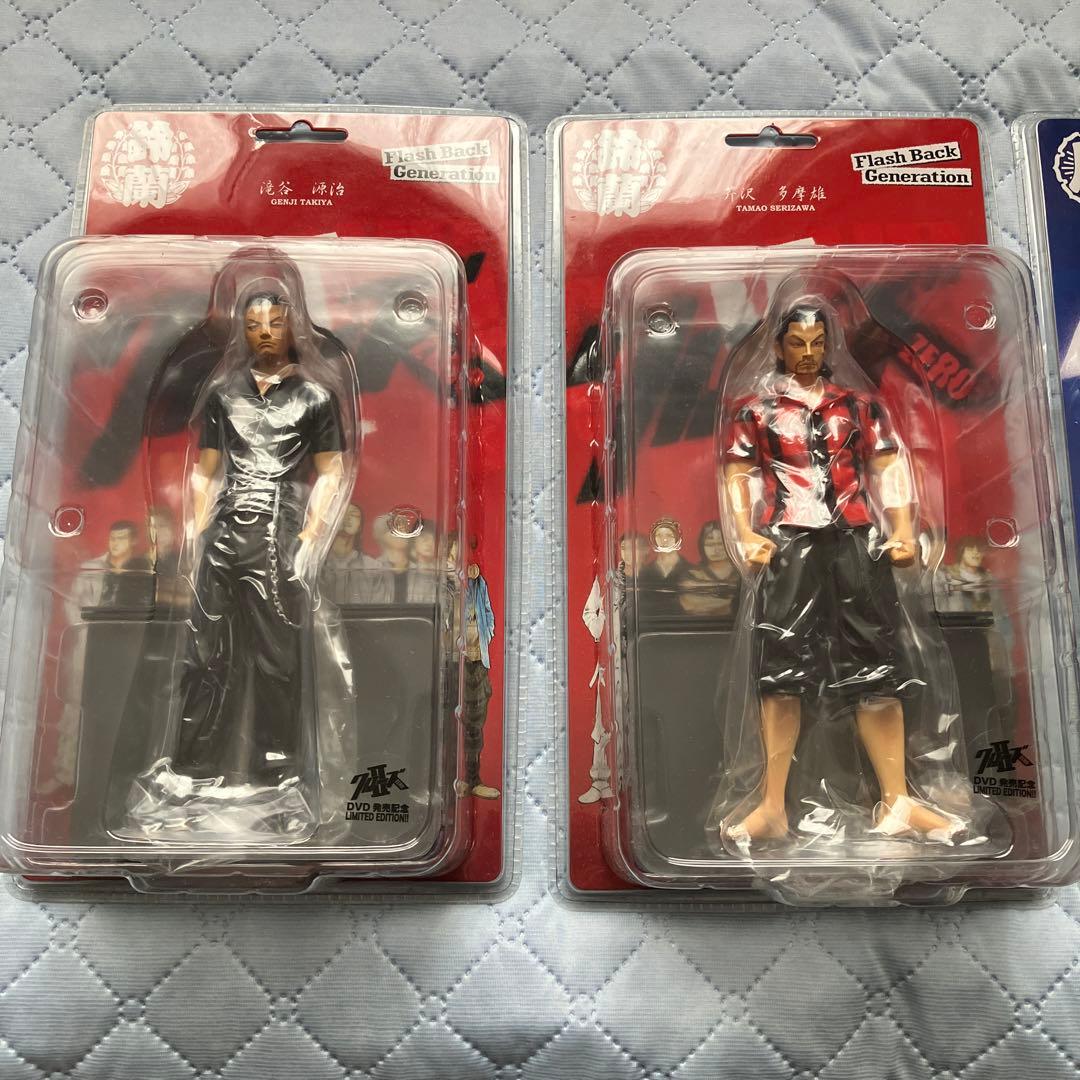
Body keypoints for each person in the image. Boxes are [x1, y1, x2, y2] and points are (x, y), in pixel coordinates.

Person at [721, 300, 958, 843]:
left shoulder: (858, 406)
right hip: (787, 542)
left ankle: (897, 801)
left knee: (877, 665)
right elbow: (737, 472)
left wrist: (903, 528)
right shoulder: (757, 412)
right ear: (779, 347)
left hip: (856, 539)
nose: (808, 353)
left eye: (816, 343)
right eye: (796, 343)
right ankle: (773, 807)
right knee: (780, 669)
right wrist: (745, 533)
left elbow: (888, 466)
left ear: (829, 345)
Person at [169, 287, 348, 787]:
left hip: (277, 532)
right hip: (224, 529)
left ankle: (278, 766)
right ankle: (192, 765)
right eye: (253, 326)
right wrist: (195, 526)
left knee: (276, 656)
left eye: (273, 323)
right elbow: (206, 470)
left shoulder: (315, 397)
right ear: (242, 333)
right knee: (204, 650)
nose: (264, 333)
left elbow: (332, 472)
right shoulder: (224, 395)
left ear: (293, 328)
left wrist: (312, 533)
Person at [322, 503, 392, 604]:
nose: (347, 518)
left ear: (360, 526)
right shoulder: (316, 566)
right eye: (341, 513)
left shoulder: (373, 567)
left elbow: (378, 607)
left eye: (353, 514)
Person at [679, 519, 739, 617]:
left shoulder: (741, 573)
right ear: (702, 545)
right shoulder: (692, 574)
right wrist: (731, 603)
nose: (716, 550)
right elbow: (690, 604)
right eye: (710, 544)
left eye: (720, 544)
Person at [637, 517, 690, 619]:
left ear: (677, 538)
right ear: (653, 538)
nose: (664, 540)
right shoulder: (644, 572)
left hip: (685, 623)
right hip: (651, 624)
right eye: (659, 535)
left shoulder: (690, 570)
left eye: (669, 535)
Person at [940, 536, 993, 614]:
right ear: (961, 552)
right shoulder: (947, 575)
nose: (976, 552)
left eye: (979, 549)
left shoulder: (989, 578)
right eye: (970, 549)